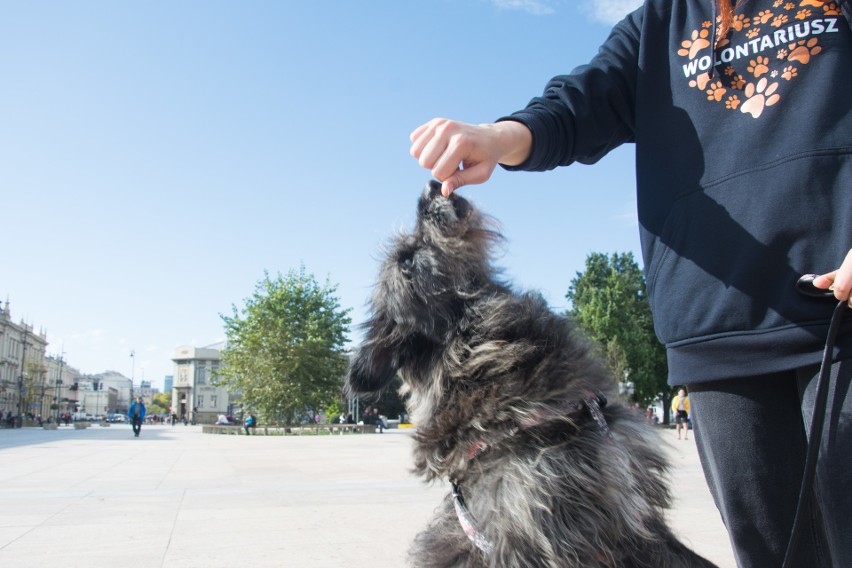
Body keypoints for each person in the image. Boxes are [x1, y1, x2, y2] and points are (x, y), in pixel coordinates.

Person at [409, 2, 852, 566]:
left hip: (839, 314)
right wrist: (496, 138)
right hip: (716, 336)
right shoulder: (660, 23)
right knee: (770, 552)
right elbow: (577, 106)